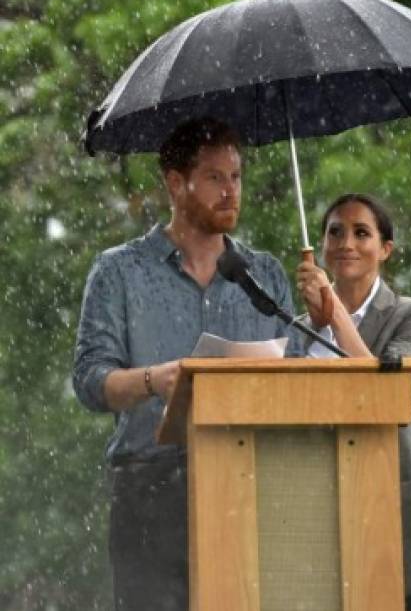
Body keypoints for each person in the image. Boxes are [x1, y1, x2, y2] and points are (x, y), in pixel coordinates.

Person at [73, 118, 300, 611]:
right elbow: (90, 380)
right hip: (150, 487)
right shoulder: (119, 271)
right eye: (215, 177)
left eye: (236, 177)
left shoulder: (262, 275)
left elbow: (297, 382)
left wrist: (323, 319)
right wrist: (156, 379)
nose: (230, 191)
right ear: (175, 183)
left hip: (248, 484)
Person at [296, 193, 411, 611]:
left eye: (361, 233)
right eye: (334, 232)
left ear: (385, 249)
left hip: (389, 507)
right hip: (312, 509)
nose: (345, 244)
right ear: (320, 246)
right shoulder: (295, 329)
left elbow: (381, 396)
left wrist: (333, 314)